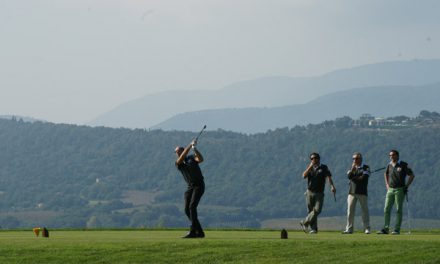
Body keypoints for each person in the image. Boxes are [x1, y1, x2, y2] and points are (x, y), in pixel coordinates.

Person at [377, 150, 415, 235]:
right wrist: (386, 184)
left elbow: (412, 175)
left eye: (393, 155)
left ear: (397, 156)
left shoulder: (403, 164)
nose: (391, 157)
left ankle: (396, 229)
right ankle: (386, 228)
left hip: (400, 189)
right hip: (390, 189)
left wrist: (407, 186)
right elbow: (385, 174)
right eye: (390, 155)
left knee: (398, 209)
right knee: (386, 208)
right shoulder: (389, 165)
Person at [175, 139, 205, 238]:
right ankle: (199, 232)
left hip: (199, 185)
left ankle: (193, 231)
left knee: (192, 207)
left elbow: (200, 159)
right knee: (187, 210)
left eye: (177, 151)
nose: (176, 153)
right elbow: (182, 157)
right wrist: (190, 145)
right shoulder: (178, 163)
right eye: (176, 152)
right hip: (190, 187)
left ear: (182, 150)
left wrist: (194, 149)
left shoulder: (191, 158)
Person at [300, 153, 336, 234]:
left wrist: (332, 186)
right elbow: (303, 176)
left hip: (319, 192)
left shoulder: (324, 167)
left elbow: (329, 177)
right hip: (309, 192)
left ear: (319, 159)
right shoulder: (310, 168)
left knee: (317, 210)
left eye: (315, 158)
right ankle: (314, 229)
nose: (314, 160)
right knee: (310, 211)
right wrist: (309, 167)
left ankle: (304, 222)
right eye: (312, 158)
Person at [342, 152, 371, 234]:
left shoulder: (366, 167)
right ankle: (349, 229)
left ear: (361, 159)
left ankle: (367, 228)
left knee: (364, 211)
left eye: (357, 158)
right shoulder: (351, 168)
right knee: (350, 211)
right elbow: (349, 176)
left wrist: (353, 178)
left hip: (362, 192)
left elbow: (364, 179)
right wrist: (352, 170)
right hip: (352, 192)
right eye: (353, 159)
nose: (355, 160)